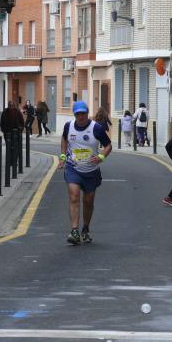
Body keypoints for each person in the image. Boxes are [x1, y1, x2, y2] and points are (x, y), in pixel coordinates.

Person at [59, 101, 112, 244]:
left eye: (83, 113)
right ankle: (74, 231)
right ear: (74, 114)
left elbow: (108, 145)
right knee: (74, 196)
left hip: (91, 171)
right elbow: (64, 140)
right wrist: (63, 156)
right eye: (78, 114)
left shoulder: (97, 128)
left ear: (87, 113)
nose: (81, 116)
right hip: (73, 168)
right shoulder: (68, 126)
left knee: (88, 201)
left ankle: (86, 228)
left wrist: (101, 157)